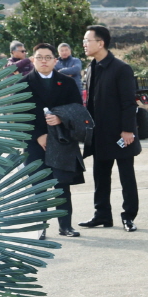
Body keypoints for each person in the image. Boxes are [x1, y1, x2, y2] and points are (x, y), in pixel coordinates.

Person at [79, 25, 140, 231]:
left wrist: (128, 130)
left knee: (126, 177)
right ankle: (102, 214)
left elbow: (129, 103)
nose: (84, 44)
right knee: (100, 176)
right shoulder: (91, 68)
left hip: (121, 133)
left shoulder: (121, 68)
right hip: (99, 133)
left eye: (88, 40)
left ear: (101, 43)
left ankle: (128, 215)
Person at [24, 43, 85, 238]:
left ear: (55, 60)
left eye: (48, 57)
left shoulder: (66, 83)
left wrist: (61, 118)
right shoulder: (23, 84)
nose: (44, 61)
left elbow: (77, 109)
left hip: (62, 140)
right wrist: (38, 135)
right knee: (39, 185)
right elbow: (18, 115)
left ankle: (65, 226)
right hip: (34, 143)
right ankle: (40, 227)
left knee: (62, 185)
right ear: (33, 60)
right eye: (39, 57)